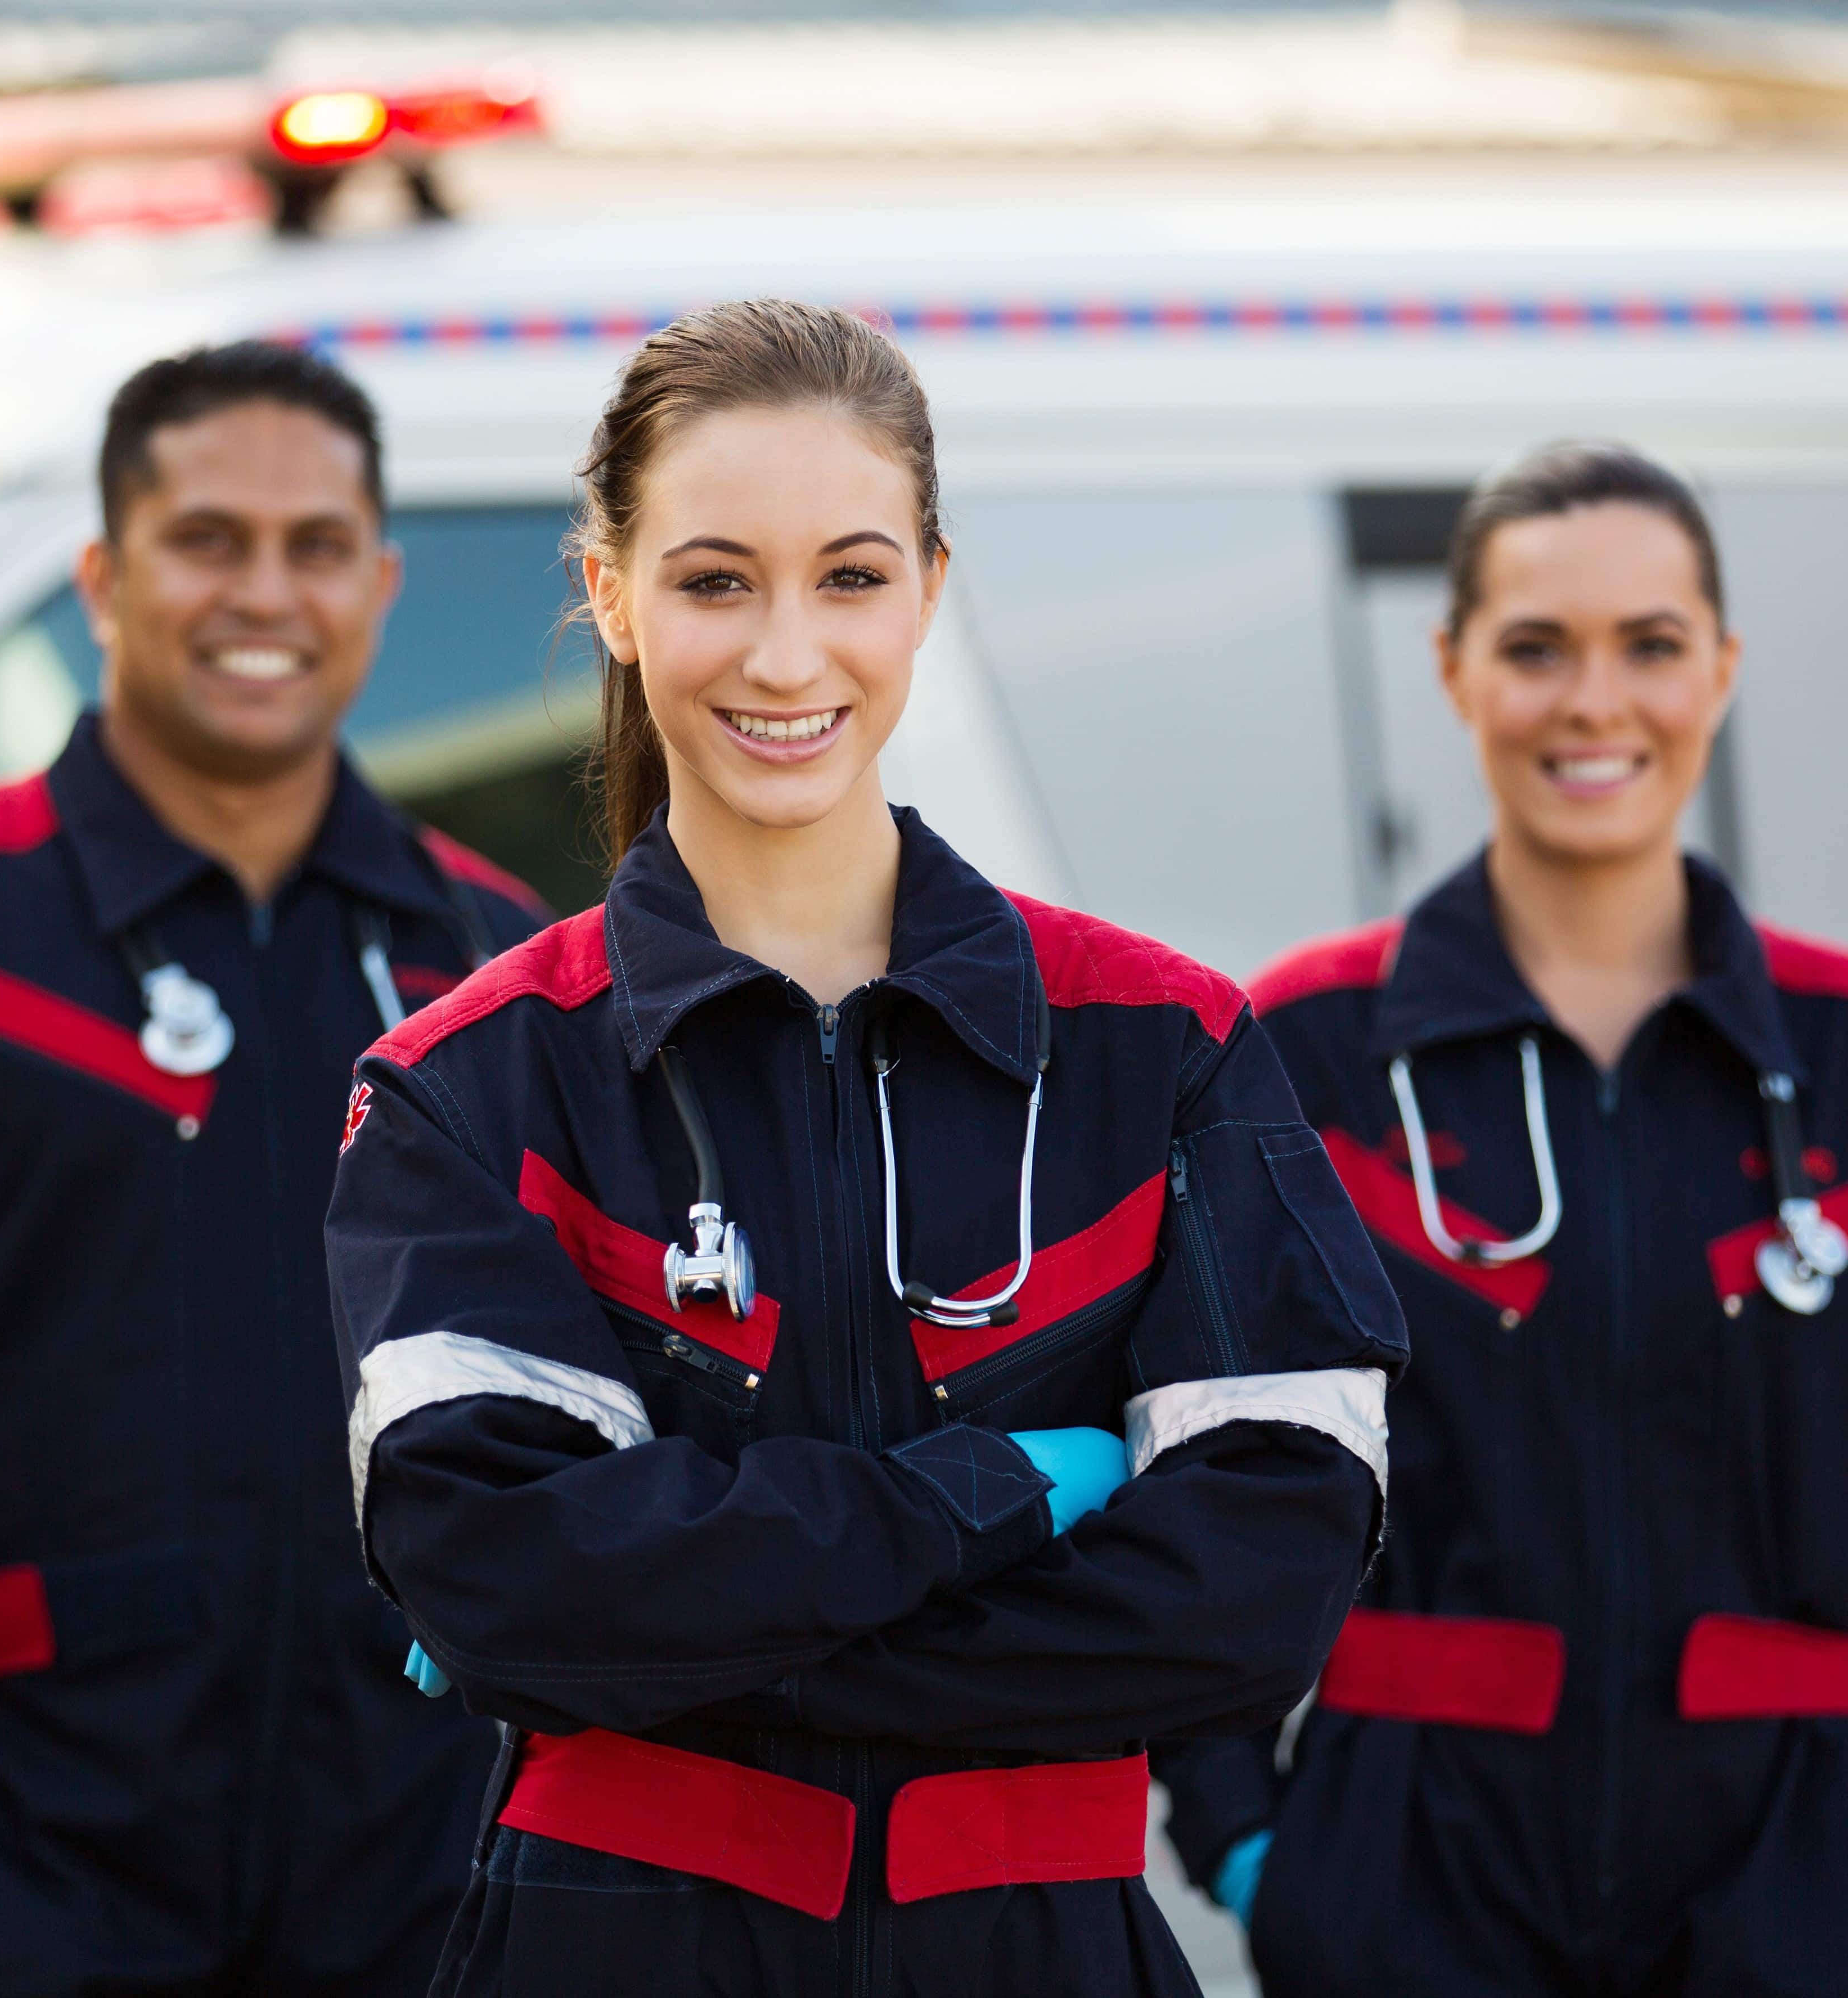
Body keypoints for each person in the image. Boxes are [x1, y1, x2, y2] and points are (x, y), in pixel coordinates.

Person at [322, 298, 1408, 1996]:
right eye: (715, 581)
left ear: (929, 589)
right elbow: (503, 1578)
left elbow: (1259, 1593)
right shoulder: (471, 1088)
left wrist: (679, 1643)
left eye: (848, 577)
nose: (785, 656)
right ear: (611, 595)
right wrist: (990, 1490)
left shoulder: (1164, 1048)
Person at [0, 340, 549, 1997]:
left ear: (379, 585)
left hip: (430, 1910)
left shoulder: (498, 968)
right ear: (102, 581)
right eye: (206, 539)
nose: (264, 592)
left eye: (316, 545)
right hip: (16, 1901)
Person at [1158, 442, 1848, 1996]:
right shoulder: (1303, 1056)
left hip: (1796, 1920)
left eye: (1650, 645)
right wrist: (1264, 1853)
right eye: (1538, 648)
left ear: (1720, 668)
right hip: (1406, 1915)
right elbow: (1190, 1492)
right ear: (1455, 669)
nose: (1596, 703)